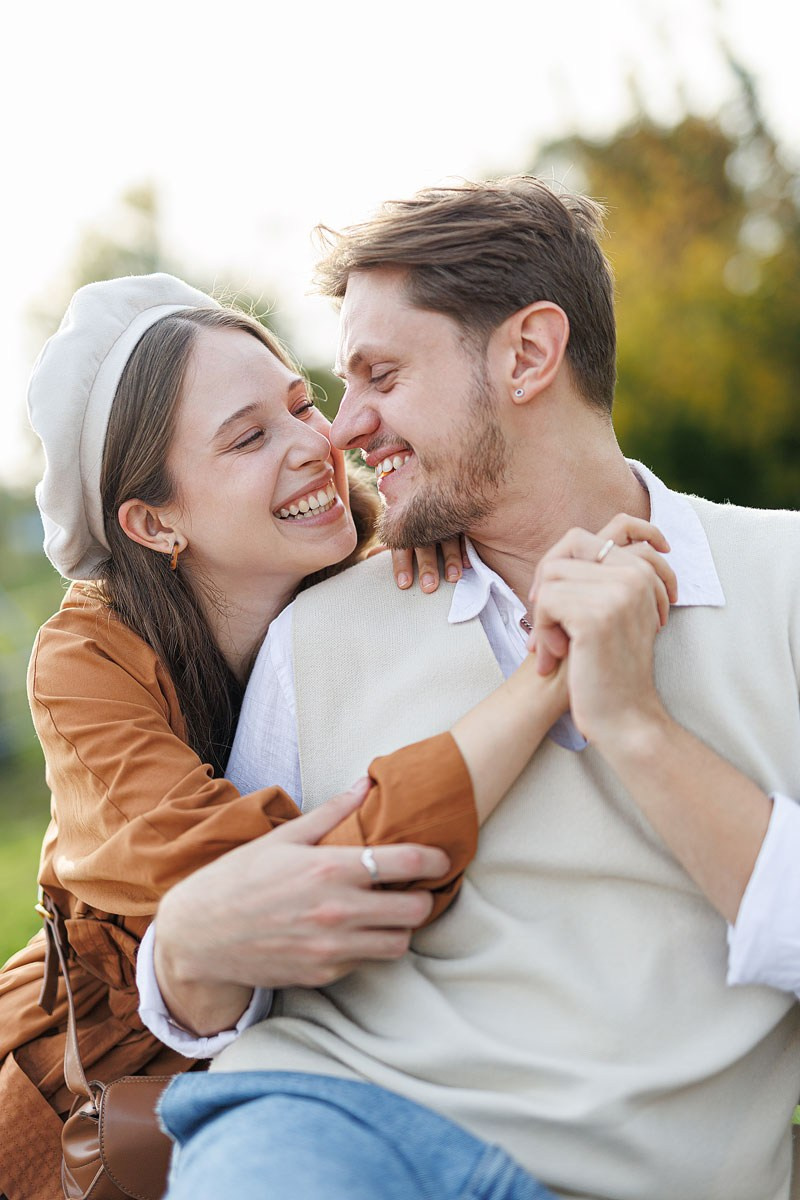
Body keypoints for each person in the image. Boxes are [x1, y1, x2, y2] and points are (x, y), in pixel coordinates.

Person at [144, 178, 800, 1200]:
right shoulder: (317, 634)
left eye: (383, 376)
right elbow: (234, 955)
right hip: (336, 1128)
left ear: (529, 354)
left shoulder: (785, 584)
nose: (343, 428)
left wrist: (631, 723)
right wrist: (179, 962)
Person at [0, 268, 620, 1200]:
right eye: (250, 437)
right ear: (153, 520)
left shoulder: (381, 578)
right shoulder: (88, 660)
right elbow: (266, 880)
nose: (316, 444)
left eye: (301, 405)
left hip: (317, 1083)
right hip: (86, 1093)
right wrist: (541, 683)